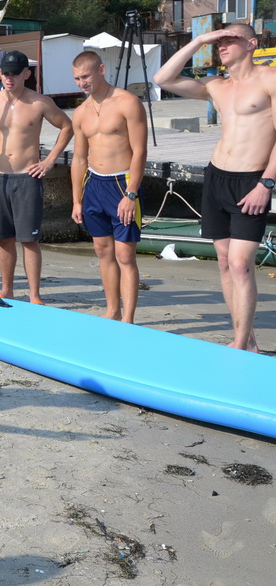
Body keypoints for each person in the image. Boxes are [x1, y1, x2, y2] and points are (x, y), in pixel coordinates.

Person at [154, 24, 276, 351]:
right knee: (223, 261)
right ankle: (246, 340)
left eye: (229, 39)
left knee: (240, 263)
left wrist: (267, 183)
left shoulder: (270, 80)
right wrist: (199, 39)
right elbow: (162, 80)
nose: (221, 44)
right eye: (218, 40)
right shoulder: (216, 85)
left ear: (251, 44)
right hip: (217, 177)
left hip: (251, 181)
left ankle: (241, 342)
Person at [0, 50, 74, 303]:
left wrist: (49, 160)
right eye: (5, 73)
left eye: (14, 73)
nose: (9, 78)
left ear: (26, 73)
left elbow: (67, 126)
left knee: (29, 239)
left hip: (27, 177)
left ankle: (34, 294)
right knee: (4, 238)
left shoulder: (39, 102)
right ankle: (7, 289)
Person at [70, 50, 148, 324]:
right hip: (94, 184)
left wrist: (131, 193)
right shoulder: (80, 113)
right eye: (78, 78)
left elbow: (140, 151)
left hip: (122, 183)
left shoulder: (128, 103)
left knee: (125, 254)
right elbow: (79, 158)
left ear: (101, 69)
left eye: (86, 76)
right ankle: (112, 310)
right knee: (103, 251)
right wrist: (76, 200)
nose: (82, 83)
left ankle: (128, 318)